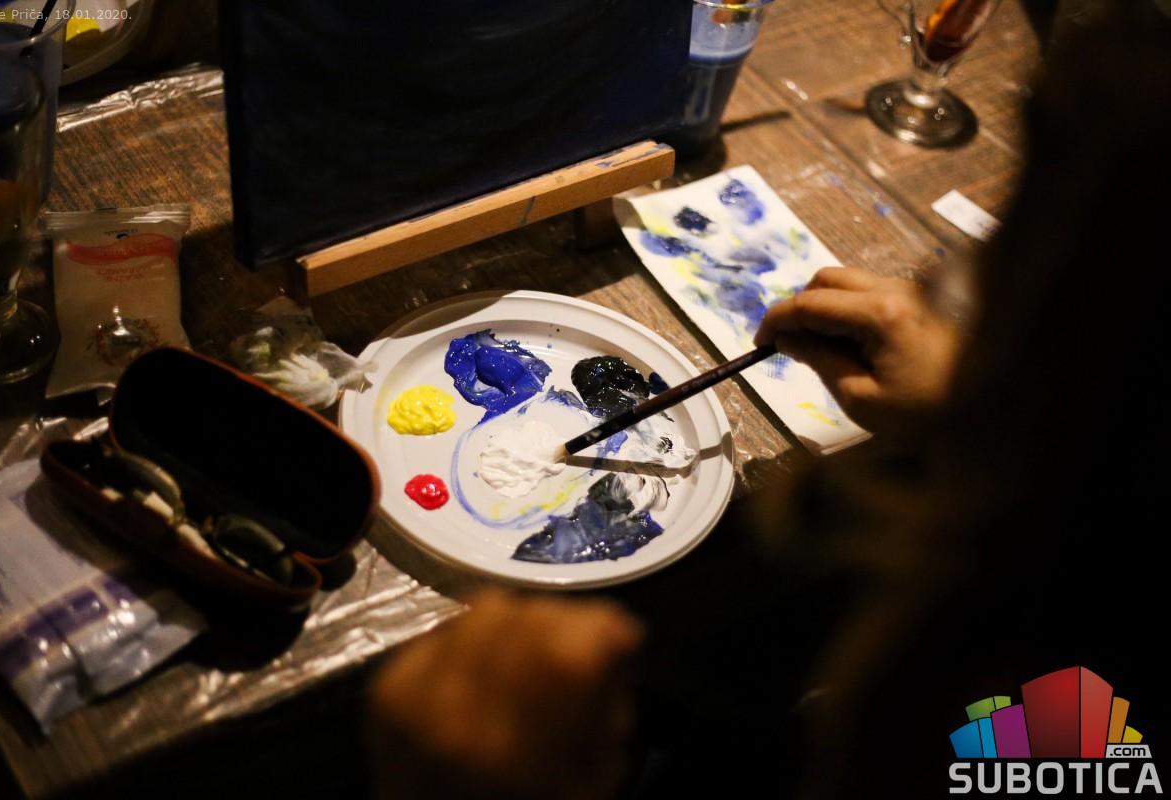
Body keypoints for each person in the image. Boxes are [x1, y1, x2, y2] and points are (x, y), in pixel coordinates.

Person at [363, 2, 1171, 797]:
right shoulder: (1072, 541)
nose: (938, 275)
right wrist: (978, 413)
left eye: (1011, 238)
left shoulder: (1061, 721)